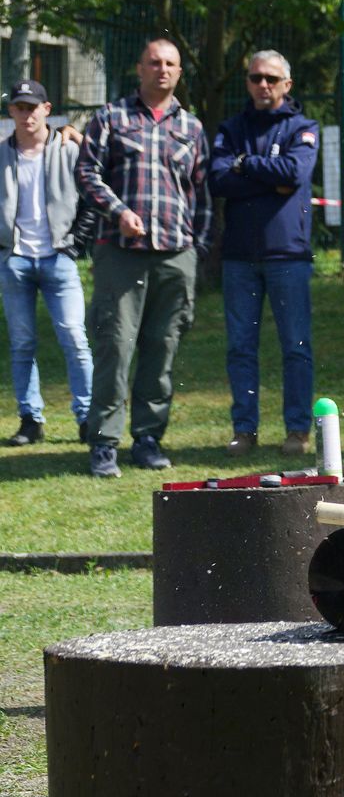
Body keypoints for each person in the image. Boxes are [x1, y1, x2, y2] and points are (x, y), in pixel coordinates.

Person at [76, 38, 212, 478]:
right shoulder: (111, 117)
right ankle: (104, 443)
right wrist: (119, 212)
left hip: (176, 254)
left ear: (179, 72)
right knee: (115, 345)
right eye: (154, 62)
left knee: (163, 346)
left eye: (171, 63)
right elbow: (86, 172)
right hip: (121, 253)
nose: (162, 70)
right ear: (139, 67)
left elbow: (202, 193)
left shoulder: (191, 127)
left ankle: (148, 438)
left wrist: (197, 246)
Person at [207, 50, 319, 457]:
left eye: (271, 78)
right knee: (240, 346)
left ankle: (297, 430)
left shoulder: (302, 127)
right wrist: (263, 175)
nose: (263, 85)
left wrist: (243, 167)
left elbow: (294, 174)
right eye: (255, 78)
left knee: (296, 347)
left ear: (287, 85)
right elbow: (218, 180)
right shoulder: (231, 128)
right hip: (239, 257)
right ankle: (244, 429)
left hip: (288, 255)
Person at [0, 79, 93, 445]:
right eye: (19, 108)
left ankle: (88, 418)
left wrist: (75, 244)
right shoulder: (2, 154)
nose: (26, 115)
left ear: (46, 110)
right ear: (11, 112)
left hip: (59, 259)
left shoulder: (68, 150)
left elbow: (94, 194)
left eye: (32, 107)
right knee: (22, 343)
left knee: (74, 337)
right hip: (15, 261)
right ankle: (30, 419)